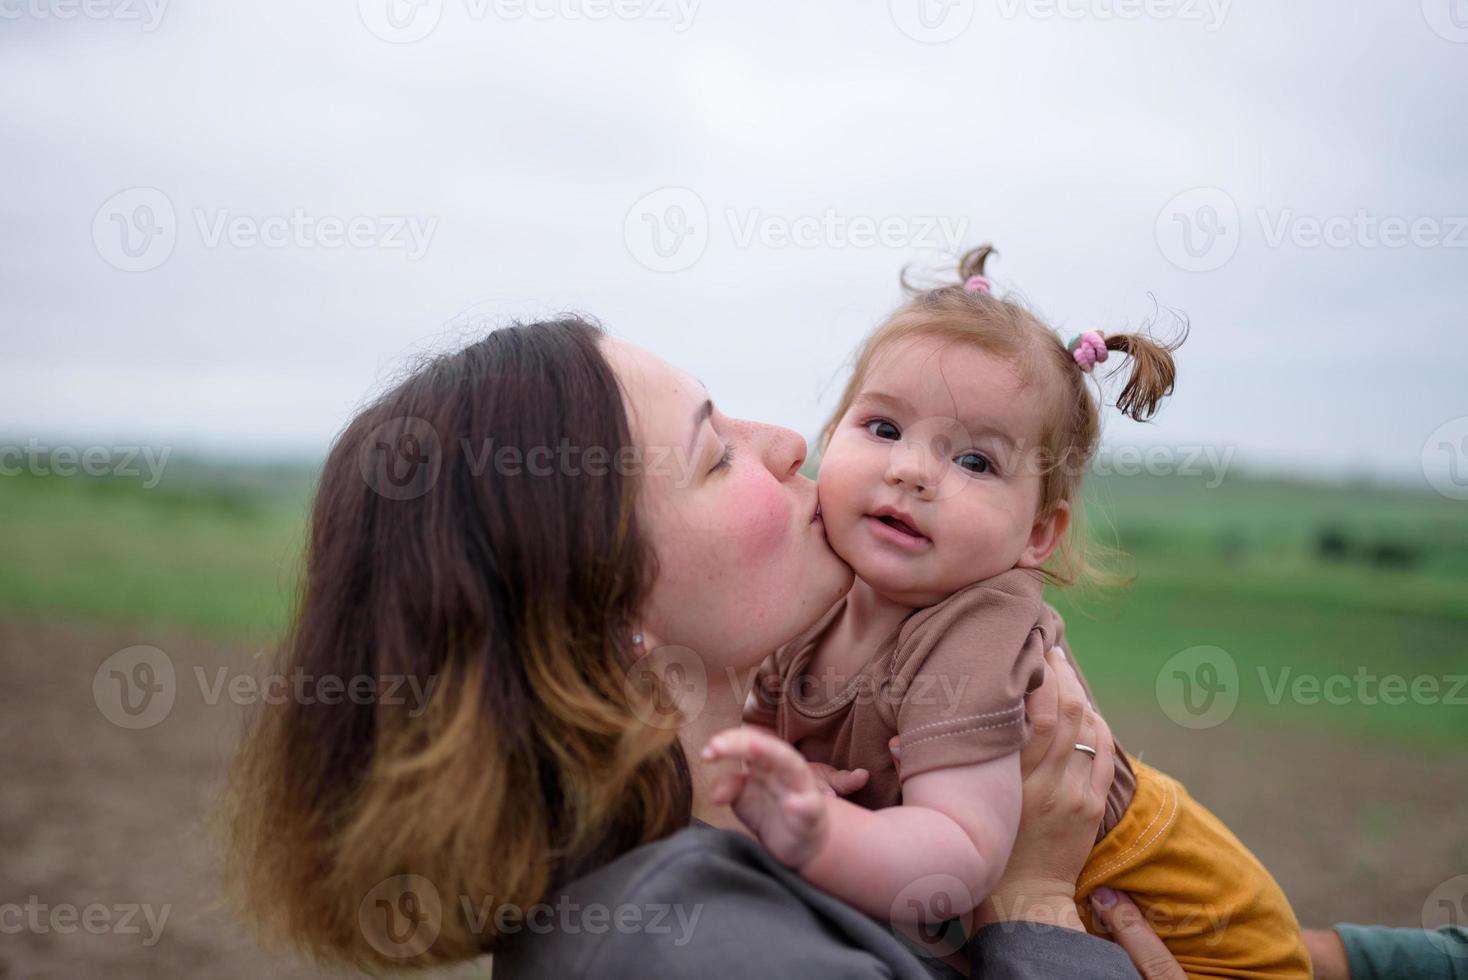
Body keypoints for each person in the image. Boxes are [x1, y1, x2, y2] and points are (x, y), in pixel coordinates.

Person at [219, 315, 1144, 977]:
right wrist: (1037, 915)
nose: (789, 444)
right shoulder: (699, 949)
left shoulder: (674, 873)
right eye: (716, 454)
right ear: (615, 615)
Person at [710, 246, 1309, 978]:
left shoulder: (976, 627)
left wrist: (818, 829)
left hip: (1206, 942)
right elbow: (756, 732)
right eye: (884, 429)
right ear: (831, 439)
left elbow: (958, 856)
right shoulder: (814, 602)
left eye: (975, 463)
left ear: (1037, 535)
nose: (911, 471)